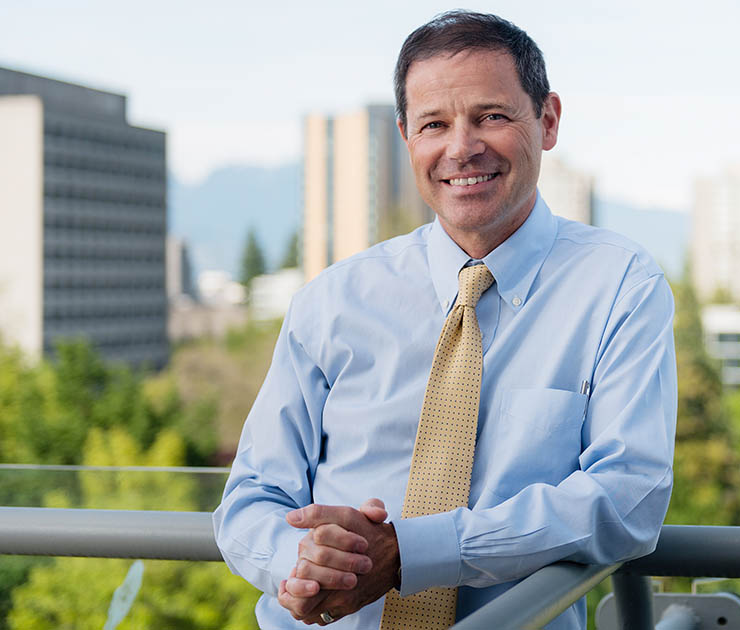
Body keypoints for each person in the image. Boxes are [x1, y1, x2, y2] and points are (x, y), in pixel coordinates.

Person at [213, 10, 677, 629]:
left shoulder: (620, 286)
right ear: (406, 136)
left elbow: (628, 496)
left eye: (491, 116)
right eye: (434, 123)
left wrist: (411, 554)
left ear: (547, 120)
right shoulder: (331, 300)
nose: (462, 147)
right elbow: (251, 497)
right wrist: (301, 566)